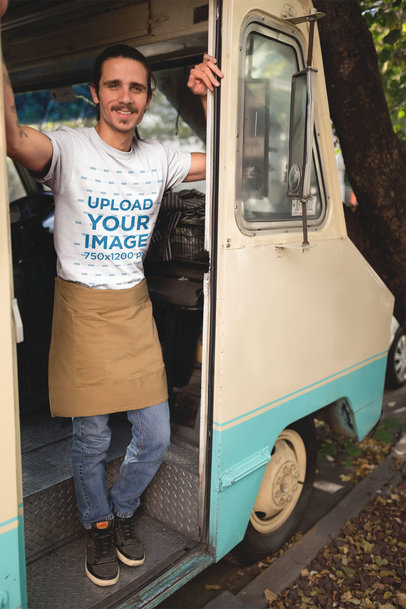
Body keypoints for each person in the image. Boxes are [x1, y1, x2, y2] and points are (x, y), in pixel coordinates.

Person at [2, 3, 223, 586]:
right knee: (92, 435)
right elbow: (14, 139)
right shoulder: (69, 150)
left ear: (147, 99)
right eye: (114, 86)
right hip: (79, 308)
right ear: (94, 94)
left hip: (132, 309)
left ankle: (122, 509)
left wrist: (206, 97)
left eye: (137, 89)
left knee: (152, 433)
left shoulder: (159, 158)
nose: (126, 98)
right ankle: (97, 526)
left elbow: (227, 164)